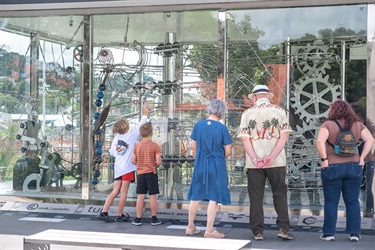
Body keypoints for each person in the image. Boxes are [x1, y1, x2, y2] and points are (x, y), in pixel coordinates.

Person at [238, 84, 293, 241]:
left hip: (254, 163)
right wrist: (271, 156)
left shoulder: (247, 114)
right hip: (277, 161)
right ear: (268, 97)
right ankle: (283, 228)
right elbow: (284, 137)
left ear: (254, 97)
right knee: (280, 195)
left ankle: (257, 231)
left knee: (256, 197)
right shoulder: (280, 111)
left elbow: (245, 139)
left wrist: (255, 158)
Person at [316, 99, 374, 242]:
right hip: (354, 167)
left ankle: (329, 234)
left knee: (331, 201)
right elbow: (371, 140)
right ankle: (355, 233)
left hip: (332, 167)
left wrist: (324, 160)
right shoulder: (357, 125)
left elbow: (319, 141)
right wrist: (362, 158)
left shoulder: (328, 125)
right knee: (353, 201)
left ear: (333, 110)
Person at [186, 99, 233, 238]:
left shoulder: (198, 125)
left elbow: (193, 147)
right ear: (221, 112)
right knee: (214, 197)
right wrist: (218, 156)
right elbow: (228, 151)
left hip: (200, 163)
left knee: (195, 195)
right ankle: (209, 230)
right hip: (216, 165)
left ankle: (190, 227)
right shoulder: (222, 128)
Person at [98, 107, 149, 222]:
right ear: (126, 127)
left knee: (115, 191)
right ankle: (119, 214)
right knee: (123, 192)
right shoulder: (131, 136)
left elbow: (112, 152)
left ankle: (104, 211)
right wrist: (145, 115)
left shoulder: (116, 138)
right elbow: (140, 126)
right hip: (127, 168)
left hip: (118, 167)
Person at [131, 122, 163, 226]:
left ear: (141, 134)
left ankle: (138, 219)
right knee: (152, 196)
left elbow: (132, 160)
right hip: (151, 173)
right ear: (151, 133)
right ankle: (154, 219)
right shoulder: (155, 146)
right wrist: (153, 165)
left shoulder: (137, 146)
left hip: (140, 173)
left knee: (140, 196)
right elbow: (158, 161)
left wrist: (140, 164)